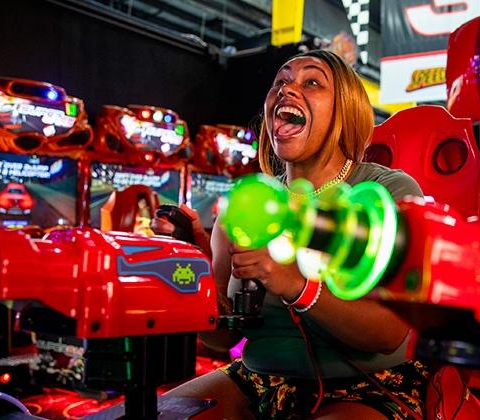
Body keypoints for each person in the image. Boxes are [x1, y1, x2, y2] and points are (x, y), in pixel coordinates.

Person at [154, 50, 427, 419]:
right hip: (258, 379)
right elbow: (221, 338)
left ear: (345, 109)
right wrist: (193, 270)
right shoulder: (248, 202)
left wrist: (291, 282)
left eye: (311, 82)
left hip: (367, 384)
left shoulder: (382, 192)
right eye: (280, 82)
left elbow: (388, 334)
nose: (287, 90)